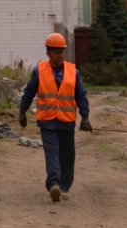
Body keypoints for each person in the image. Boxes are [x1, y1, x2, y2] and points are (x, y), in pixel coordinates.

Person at [19, 32, 92, 202]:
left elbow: (81, 96)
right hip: (47, 121)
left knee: (67, 155)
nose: (60, 55)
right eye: (56, 52)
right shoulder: (39, 71)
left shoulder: (73, 72)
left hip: (66, 121)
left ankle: (64, 186)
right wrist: (22, 112)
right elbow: (29, 92)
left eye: (62, 52)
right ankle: (54, 184)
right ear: (48, 53)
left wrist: (85, 117)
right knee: (52, 153)